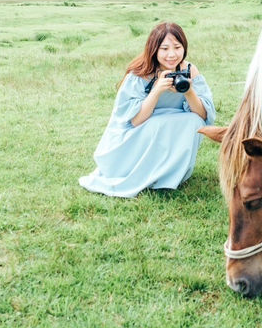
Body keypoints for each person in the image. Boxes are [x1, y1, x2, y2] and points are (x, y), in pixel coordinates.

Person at [79, 22, 216, 197]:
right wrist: (157, 90)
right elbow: (135, 121)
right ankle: (149, 173)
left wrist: (189, 92)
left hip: (168, 128)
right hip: (135, 134)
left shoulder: (189, 70)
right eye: (164, 48)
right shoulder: (140, 73)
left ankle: (171, 173)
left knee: (194, 121)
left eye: (177, 47)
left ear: (184, 47)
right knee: (162, 124)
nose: (172, 54)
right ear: (154, 49)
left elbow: (204, 116)